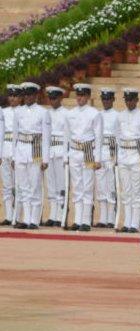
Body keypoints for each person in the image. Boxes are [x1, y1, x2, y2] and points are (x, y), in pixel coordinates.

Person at [11, 82, 50, 230]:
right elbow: (15, 135)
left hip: (36, 150)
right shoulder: (18, 112)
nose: (27, 97)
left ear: (36, 95)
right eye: (25, 95)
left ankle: (34, 220)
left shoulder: (43, 112)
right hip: (21, 150)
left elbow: (46, 137)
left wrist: (45, 159)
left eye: (30, 95)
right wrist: (14, 156)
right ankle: (25, 219)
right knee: (23, 187)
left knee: (35, 186)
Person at [64, 83, 102, 232]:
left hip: (88, 150)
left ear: (87, 97)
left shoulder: (94, 113)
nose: (80, 98)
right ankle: (77, 219)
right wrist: (65, 156)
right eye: (78, 95)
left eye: (83, 95)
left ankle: (85, 220)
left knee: (87, 186)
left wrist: (97, 158)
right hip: (74, 151)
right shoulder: (70, 113)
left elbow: (98, 137)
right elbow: (66, 135)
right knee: (77, 186)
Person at [116, 88, 140, 233]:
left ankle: (135, 224)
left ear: (137, 100)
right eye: (127, 100)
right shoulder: (120, 116)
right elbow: (117, 136)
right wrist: (118, 158)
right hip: (124, 155)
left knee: (137, 191)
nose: (129, 102)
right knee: (126, 191)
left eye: (131, 99)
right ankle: (127, 222)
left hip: (137, 155)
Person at [95, 88, 119, 229]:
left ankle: (111, 218)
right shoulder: (98, 115)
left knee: (110, 186)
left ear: (113, 100)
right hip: (99, 152)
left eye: (108, 99)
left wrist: (116, 157)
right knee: (100, 186)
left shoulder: (117, 115)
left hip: (111, 152)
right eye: (104, 99)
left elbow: (118, 137)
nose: (106, 101)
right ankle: (103, 218)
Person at [45, 86, 68, 226]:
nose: (52, 101)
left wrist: (66, 156)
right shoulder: (46, 113)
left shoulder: (66, 113)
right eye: (50, 98)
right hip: (49, 150)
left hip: (60, 150)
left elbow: (68, 136)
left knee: (61, 184)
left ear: (61, 98)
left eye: (55, 98)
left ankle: (61, 215)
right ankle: (52, 215)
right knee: (51, 185)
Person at [1, 85, 18, 225]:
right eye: (10, 96)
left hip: (17, 149)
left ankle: (17, 216)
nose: (12, 98)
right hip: (4, 149)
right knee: (6, 185)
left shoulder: (22, 112)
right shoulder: (3, 112)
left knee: (18, 185)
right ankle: (8, 215)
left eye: (15, 96)